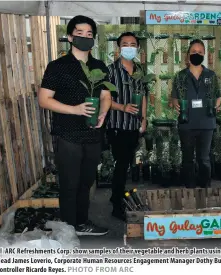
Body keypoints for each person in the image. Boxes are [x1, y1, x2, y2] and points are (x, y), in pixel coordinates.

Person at [38, 15, 112, 236]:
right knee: (69, 184)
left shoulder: (98, 66)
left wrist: (103, 112)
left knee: (86, 182)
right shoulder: (57, 67)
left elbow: (106, 95)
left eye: (90, 34)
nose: (85, 37)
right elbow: (44, 99)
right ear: (70, 37)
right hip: (68, 134)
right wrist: (75, 109)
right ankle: (68, 229)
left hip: (92, 134)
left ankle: (81, 223)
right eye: (80, 33)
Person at [106, 32, 147, 220]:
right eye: (125, 44)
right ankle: (116, 205)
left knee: (126, 163)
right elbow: (103, 100)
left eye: (132, 44)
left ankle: (117, 193)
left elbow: (144, 96)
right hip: (117, 125)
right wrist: (122, 107)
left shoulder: (140, 71)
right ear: (119, 47)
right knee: (121, 164)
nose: (129, 47)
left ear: (137, 47)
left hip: (134, 126)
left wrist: (144, 118)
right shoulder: (110, 71)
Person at [171, 39, 221, 188]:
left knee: (204, 159)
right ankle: (190, 189)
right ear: (188, 55)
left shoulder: (211, 76)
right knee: (187, 158)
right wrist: (175, 103)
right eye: (193, 52)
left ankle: (205, 188)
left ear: (204, 54)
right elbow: (174, 97)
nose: (197, 54)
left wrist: (216, 105)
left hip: (207, 123)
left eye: (200, 52)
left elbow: (218, 97)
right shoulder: (180, 76)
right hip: (186, 123)